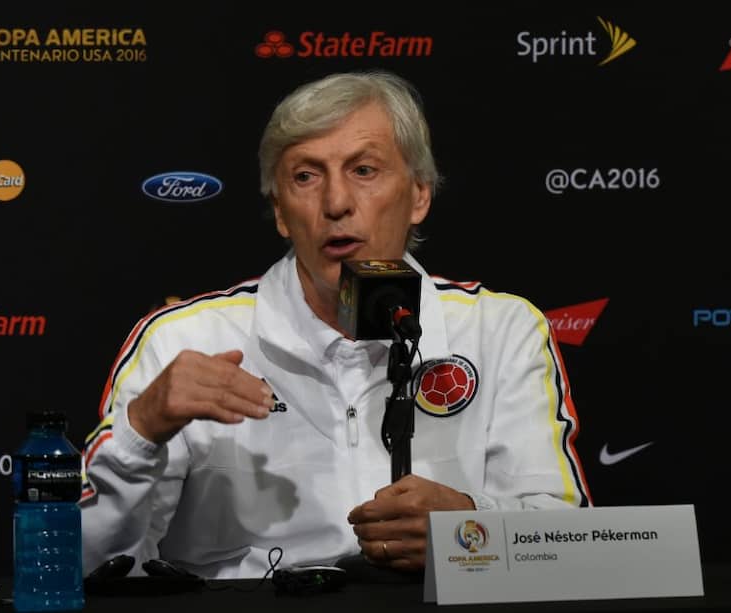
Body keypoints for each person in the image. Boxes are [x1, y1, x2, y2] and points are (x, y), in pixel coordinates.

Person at [79, 69, 591, 579]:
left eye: (364, 170)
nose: (336, 203)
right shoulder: (184, 340)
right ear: (281, 213)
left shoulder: (500, 331)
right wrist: (139, 432)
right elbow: (86, 566)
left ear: (419, 195)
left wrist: (466, 530)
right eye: (306, 176)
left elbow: (569, 549)